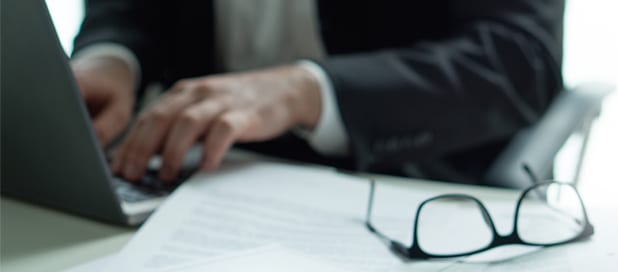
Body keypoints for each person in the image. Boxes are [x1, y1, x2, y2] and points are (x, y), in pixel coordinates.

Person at [71, 0, 565, 185]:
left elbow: (518, 60)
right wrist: (112, 56)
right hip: (195, 170)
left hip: (398, 173)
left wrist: (305, 91)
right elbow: (130, 10)